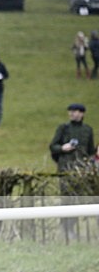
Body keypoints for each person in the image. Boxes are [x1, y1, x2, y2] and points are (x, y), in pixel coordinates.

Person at [49, 103, 96, 241]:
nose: (73, 114)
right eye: (71, 111)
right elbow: (53, 146)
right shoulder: (63, 128)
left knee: (78, 199)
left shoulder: (87, 130)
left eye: (76, 111)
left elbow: (90, 151)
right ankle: (66, 228)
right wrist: (63, 148)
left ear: (82, 113)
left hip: (82, 169)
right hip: (66, 169)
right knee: (67, 198)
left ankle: (72, 227)